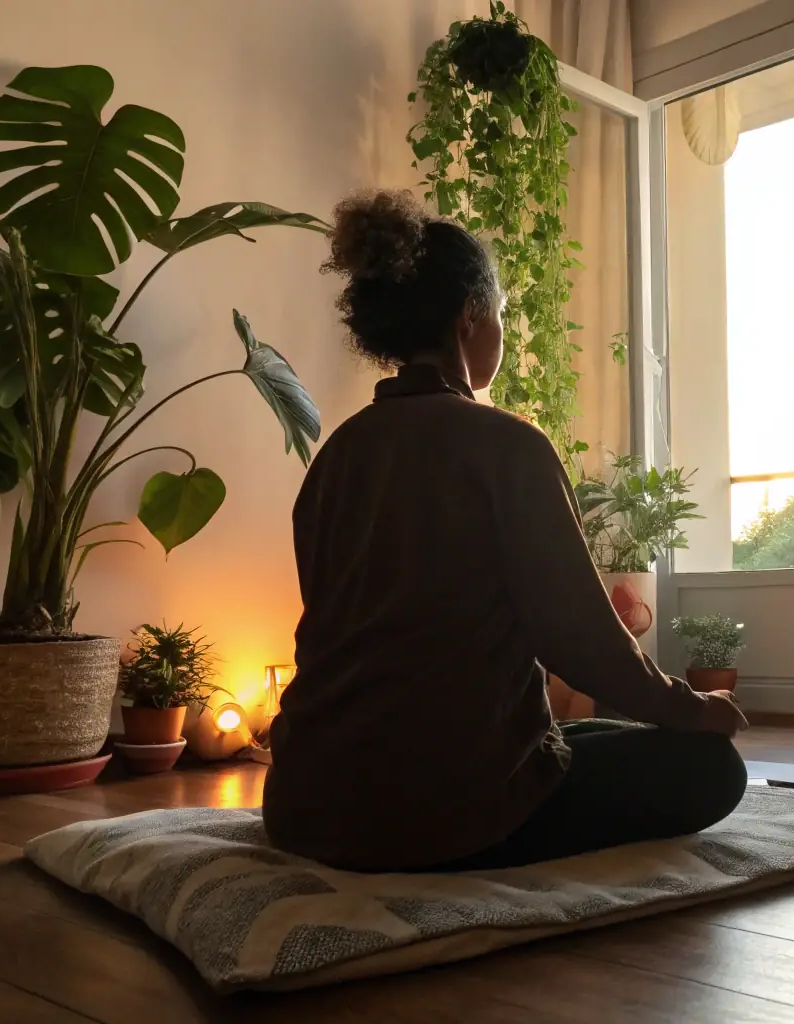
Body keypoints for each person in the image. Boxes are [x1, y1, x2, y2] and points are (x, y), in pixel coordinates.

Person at [262, 190, 748, 873]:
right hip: (448, 813)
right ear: (471, 316)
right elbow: (576, 638)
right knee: (709, 767)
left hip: (303, 804)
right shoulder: (505, 444)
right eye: (502, 317)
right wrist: (689, 710)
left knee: (594, 733)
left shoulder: (338, 454)